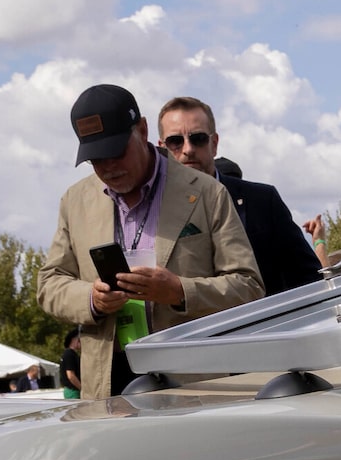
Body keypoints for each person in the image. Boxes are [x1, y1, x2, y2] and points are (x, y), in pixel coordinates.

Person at [39, 85, 263, 397]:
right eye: (96, 159)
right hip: (108, 385)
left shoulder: (207, 192)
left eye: (117, 152)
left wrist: (179, 292)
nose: (109, 167)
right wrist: (91, 299)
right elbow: (50, 284)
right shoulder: (74, 201)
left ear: (142, 129)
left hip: (193, 384)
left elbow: (249, 287)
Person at [157, 96, 324, 295]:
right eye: (175, 141)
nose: (188, 149)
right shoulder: (152, 211)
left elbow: (309, 278)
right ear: (161, 148)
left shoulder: (262, 201)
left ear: (215, 143)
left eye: (198, 138)